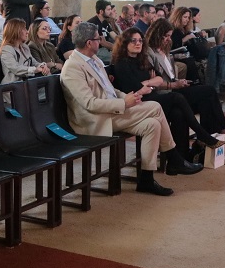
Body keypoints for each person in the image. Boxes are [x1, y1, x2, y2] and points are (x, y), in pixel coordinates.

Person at [60, 22, 199, 197]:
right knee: (155, 107)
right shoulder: (72, 67)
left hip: (111, 111)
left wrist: (128, 96)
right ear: (89, 43)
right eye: (98, 39)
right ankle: (174, 158)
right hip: (95, 119)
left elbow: (109, 90)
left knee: (152, 125)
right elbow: (89, 104)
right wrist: (124, 103)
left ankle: (146, 179)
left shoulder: (94, 60)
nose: (101, 41)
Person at [111, 28, 225, 161]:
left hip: (152, 97)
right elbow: (134, 90)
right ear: (125, 43)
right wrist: (148, 85)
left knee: (179, 111)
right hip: (140, 104)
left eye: (140, 40)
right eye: (133, 41)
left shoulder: (141, 60)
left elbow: (159, 78)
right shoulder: (122, 64)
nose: (138, 43)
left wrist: (148, 83)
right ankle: (202, 134)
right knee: (177, 97)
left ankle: (182, 157)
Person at [143, 19, 225, 152]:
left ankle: (207, 149)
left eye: (169, 36)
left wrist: (179, 82)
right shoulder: (149, 53)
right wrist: (173, 84)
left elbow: (168, 75)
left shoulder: (165, 50)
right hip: (165, 94)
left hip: (174, 88)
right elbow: (154, 83)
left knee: (206, 102)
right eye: (166, 36)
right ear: (157, 34)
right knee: (208, 91)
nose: (168, 39)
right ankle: (222, 134)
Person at [0, 18, 49, 83]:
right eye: (24, 29)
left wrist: (42, 66)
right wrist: (35, 69)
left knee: (48, 77)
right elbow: (15, 68)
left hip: (27, 81)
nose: (27, 32)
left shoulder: (24, 47)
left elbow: (34, 62)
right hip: (13, 85)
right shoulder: (7, 49)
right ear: (16, 31)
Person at [87, 0, 118, 65]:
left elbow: (115, 36)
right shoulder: (93, 23)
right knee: (119, 56)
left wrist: (124, 42)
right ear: (101, 11)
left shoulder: (104, 22)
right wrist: (118, 48)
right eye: (108, 10)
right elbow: (103, 43)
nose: (110, 12)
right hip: (96, 51)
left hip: (105, 49)